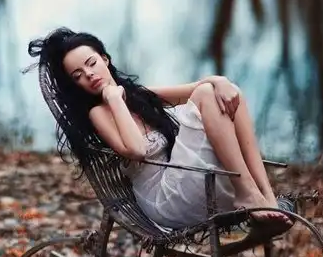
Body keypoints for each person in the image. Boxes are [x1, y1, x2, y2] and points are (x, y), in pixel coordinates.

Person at [27, 27, 292, 236]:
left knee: (229, 93)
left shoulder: (139, 96)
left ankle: (265, 195)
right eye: (78, 75)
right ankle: (247, 193)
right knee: (207, 94)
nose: (89, 74)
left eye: (92, 63)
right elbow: (137, 150)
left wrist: (220, 80)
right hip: (165, 200)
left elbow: (198, 87)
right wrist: (114, 99)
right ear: (76, 85)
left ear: (105, 59)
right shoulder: (98, 114)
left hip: (191, 180)